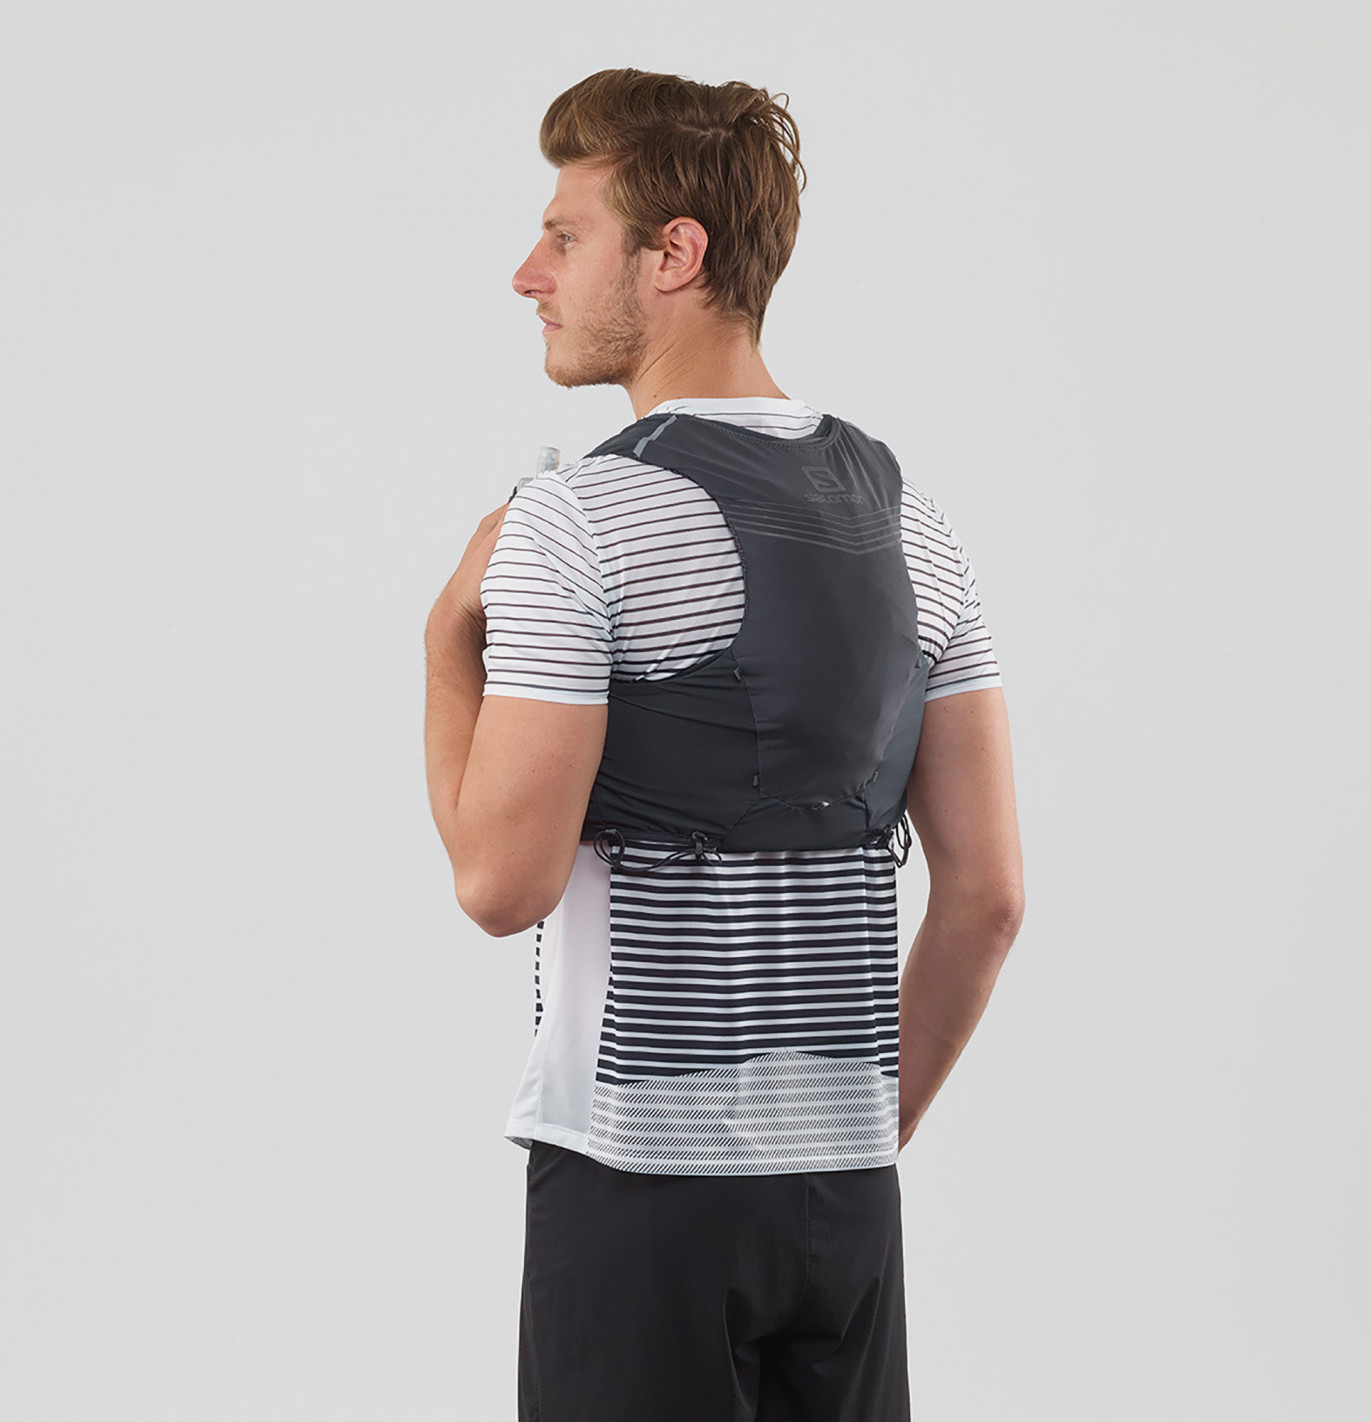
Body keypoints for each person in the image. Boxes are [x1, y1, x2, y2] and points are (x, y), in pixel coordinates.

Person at [423, 67, 1025, 1422]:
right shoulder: (914, 519)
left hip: (638, 1182)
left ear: (674, 255)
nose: (528, 273)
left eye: (565, 235)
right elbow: (987, 897)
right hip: (847, 1201)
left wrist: (445, 641)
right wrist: (853, 1132)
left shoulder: (578, 520)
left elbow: (498, 884)